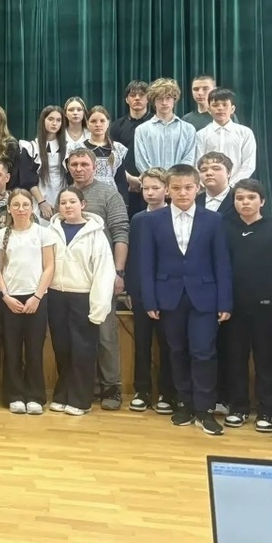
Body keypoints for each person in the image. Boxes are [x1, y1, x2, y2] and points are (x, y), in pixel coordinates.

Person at [140, 164, 233, 437]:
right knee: (176, 351)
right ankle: (185, 403)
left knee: (203, 351)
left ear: (198, 188)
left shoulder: (213, 220)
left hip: (205, 297)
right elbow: (146, 263)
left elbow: (222, 262)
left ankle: (204, 409)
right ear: (168, 190)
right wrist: (149, 300)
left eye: (188, 187)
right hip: (168, 296)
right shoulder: (153, 221)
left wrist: (225, 302)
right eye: (177, 188)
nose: (183, 193)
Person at [225, 179, 272, 433]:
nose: (245, 202)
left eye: (251, 197)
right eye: (240, 198)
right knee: (235, 360)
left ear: (262, 201)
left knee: (266, 362)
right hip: (233, 309)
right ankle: (238, 408)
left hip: (268, 308)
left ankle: (267, 411)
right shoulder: (224, 228)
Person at [65, 148, 129, 410]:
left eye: (84, 164)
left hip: (103, 276)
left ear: (94, 166)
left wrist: (119, 272)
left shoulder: (108, 193)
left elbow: (121, 232)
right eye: (74, 164)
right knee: (80, 335)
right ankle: (87, 385)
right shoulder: (67, 195)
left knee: (105, 334)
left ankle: (111, 387)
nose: (79, 169)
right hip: (75, 279)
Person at [46, 187, 117, 415]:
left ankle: (80, 400)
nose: (68, 206)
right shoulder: (50, 231)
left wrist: (99, 307)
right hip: (56, 295)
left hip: (83, 296)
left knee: (83, 349)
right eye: (63, 202)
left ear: (83, 205)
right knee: (62, 348)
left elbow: (104, 272)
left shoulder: (95, 233)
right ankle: (62, 394)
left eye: (72, 201)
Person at [0, 189, 54, 415]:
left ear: (32, 208)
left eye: (25, 205)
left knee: (33, 350)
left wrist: (37, 296)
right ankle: (14, 395)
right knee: (11, 350)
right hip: (10, 300)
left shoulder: (43, 233)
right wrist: (5, 296)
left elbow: (49, 267)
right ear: (9, 209)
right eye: (16, 205)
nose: (21, 209)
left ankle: (35, 396)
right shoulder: (1, 235)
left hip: (36, 298)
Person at [125, 167, 175, 415]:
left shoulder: (175, 217)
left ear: (167, 190)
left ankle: (168, 392)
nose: (150, 193)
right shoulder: (138, 219)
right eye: (146, 188)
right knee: (142, 343)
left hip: (168, 291)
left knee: (168, 344)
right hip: (141, 291)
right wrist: (131, 290)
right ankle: (142, 390)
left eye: (156, 188)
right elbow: (134, 257)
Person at [134, 78, 197, 172]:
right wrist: (155, 177)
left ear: (174, 99)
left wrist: (175, 177)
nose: (164, 103)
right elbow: (141, 161)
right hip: (152, 180)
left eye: (168, 98)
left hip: (180, 179)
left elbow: (189, 158)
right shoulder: (142, 130)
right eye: (159, 98)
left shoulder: (188, 129)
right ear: (153, 101)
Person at [195, 89, 256, 183]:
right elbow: (198, 163)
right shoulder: (201, 134)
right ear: (209, 109)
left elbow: (248, 164)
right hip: (208, 185)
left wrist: (231, 184)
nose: (220, 108)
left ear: (232, 109)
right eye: (215, 105)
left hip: (236, 186)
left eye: (225, 105)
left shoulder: (245, 133)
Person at [112, 80, 151, 215]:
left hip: (152, 183)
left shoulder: (156, 124)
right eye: (133, 95)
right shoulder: (117, 126)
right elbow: (113, 156)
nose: (137, 98)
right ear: (126, 100)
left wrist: (146, 178)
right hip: (124, 183)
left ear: (148, 98)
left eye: (142, 95)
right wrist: (129, 178)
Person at [28, 105, 66, 221]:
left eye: (58, 120)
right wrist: (41, 202)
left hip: (62, 191)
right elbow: (28, 179)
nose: (54, 123)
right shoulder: (32, 147)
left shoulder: (68, 147)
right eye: (50, 119)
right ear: (43, 120)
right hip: (40, 193)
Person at [83, 106, 127, 188]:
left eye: (102, 121)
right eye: (93, 121)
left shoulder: (117, 148)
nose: (98, 124)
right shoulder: (78, 147)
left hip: (111, 193)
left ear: (108, 123)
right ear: (87, 124)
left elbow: (121, 180)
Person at [198, 151, 237, 220]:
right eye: (204, 170)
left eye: (216, 169)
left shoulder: (238, 200)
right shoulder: (193, 202)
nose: (208, 173)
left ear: (228, 173)